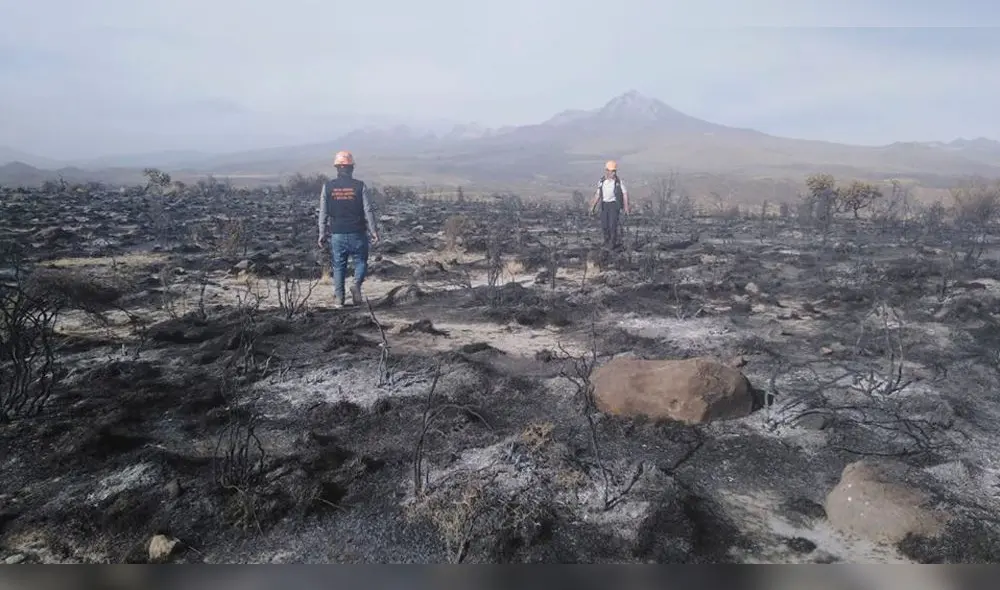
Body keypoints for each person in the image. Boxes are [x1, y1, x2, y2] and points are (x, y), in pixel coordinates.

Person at [317, 150, 380, 308]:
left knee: (339, 266)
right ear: (351, 168)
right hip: (357, 232)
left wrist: (322, 233)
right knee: (361, 262)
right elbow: (368, 210)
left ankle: (339, 299)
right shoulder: (360, 186)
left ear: (337, 167)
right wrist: (374, 231)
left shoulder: (328, 187)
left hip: (337, 233)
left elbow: (323, 212)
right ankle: (356, 284)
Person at [588, 159, 630, 248]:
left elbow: (625, 194)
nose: (613, 173)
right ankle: (606, 241)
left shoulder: (618, 182)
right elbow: (598, 194)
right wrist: (593, 206)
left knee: (612, 225)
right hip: (604, 205)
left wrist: (626, 207)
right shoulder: (601, 181)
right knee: (604, 225)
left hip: (614, 205)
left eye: (614, 171)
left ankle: (612, 243)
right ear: (606, 171)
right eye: (611, 171)